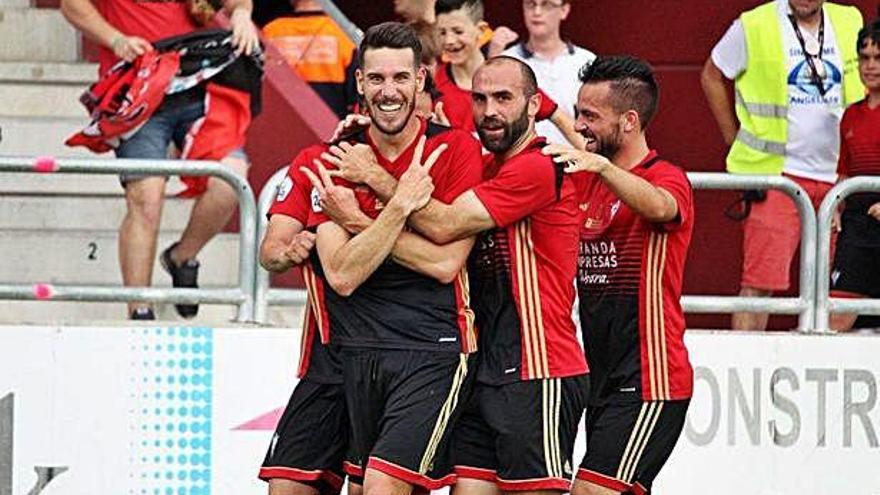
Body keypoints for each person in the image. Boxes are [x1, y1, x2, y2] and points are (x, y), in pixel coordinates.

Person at [319, 56, 589, 495]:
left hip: (538, 368)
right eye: (479, 99)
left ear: (534, 104)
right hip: (483, 366)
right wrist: (367, 132)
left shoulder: (537, 166)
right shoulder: (484, 166)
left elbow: (442, 224)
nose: (489, 111)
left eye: (503, 98)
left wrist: (370, 184)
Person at [304, 22, 483, 495]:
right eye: (377, 79)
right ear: (360, 83)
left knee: (383, 489)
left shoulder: (456, 148)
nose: (389, 92)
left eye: (401, 79)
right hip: (358, 353)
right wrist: (401, 206)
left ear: (421, 80)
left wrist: (369, 216)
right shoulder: (340, 156)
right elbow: (341, 274)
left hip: (435, 348)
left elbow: (445, 264)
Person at [543, 55, 693, 495]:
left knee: (590, 490)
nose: (579, 124)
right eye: (578, 112)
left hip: (651, 378)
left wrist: (605, 170)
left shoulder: (665, 177)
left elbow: (662, 207)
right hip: (601, 375)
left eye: (591, 115)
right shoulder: (586, 179)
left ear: (629, 121)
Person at [60, 0, 260, 320]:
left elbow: (237, 2)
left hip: (197, 81)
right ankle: (139, 311)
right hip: (137, 86)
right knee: (146, 199)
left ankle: (182, 257)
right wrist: (115, 39)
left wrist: (241, 15)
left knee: (231, 181)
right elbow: (71, 5)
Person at [700, 0, 864, 331]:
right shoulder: (754, 24)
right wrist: (733, 140)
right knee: (760, 283)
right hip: (779, 177)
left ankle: (823, 366)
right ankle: (745, 369)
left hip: (841, 178)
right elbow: (712, 74)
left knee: (844, 288)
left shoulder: (850, 19)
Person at [257, 148, 364, 495]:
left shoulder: (440, 160)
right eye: (375, 88)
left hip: (397, 358)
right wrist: (288, 252)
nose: (388, 92)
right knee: (287, 486)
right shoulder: (318, 161)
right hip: (326, 363)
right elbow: (270, 251)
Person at [433, 0, 583, 147]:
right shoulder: (434, 87)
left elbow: (559, 117)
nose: (449, 40)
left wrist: (594, 161)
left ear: (481, 30)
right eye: (442, 32)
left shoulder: (509, 75)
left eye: (458, 31)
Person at [829, 19, 880, 332]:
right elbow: (845, 171)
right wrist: (835, 205)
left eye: (879, 57)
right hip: (857, 227)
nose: (870, 65)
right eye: (864, 57)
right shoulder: (851, 114)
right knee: (836, 317)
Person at [503, 0, 596, 144]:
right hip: (524, 160)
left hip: (578, 159)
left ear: (564, 10)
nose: (537, 12)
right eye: (531, 4)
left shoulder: (587, 61)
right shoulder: (506, 61)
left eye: (546, 4)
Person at [262, 0, 358, 118]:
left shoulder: (269, 32)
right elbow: (358, 98)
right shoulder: (344, 36)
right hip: (330, 128)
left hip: (280, 126)